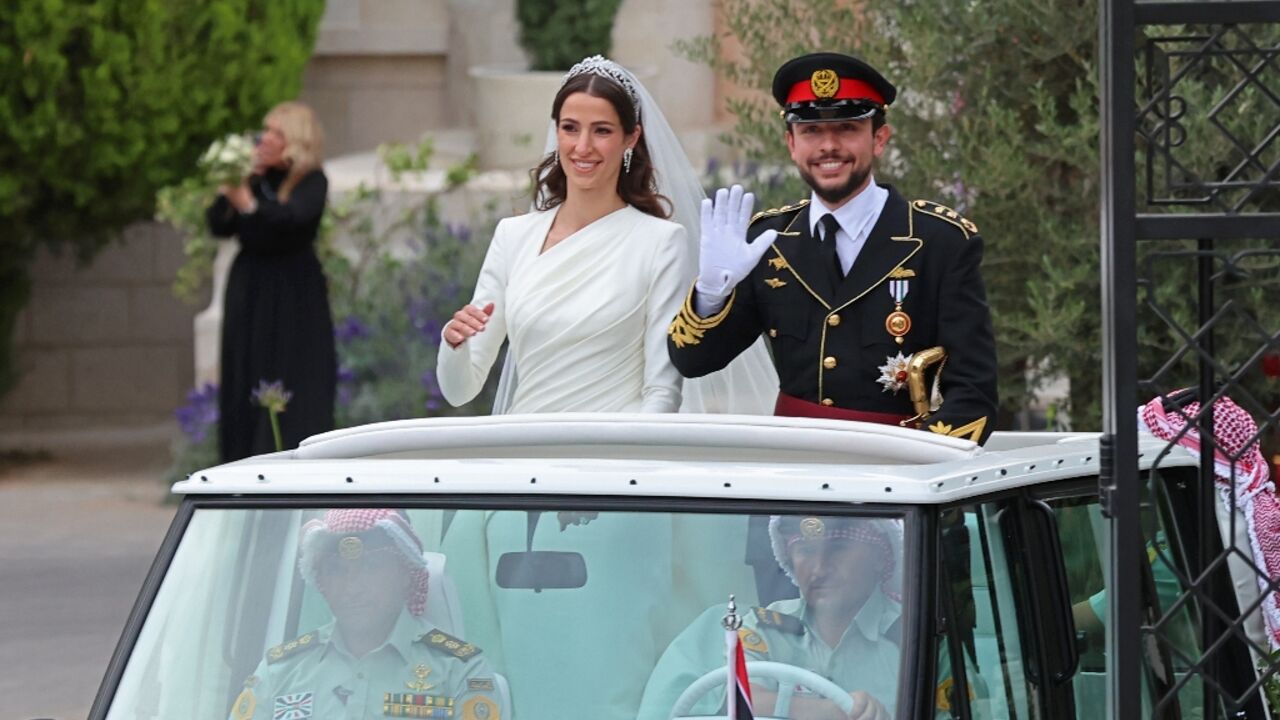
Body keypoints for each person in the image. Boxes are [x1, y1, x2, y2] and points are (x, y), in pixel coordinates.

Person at [435, 56, 769, 720]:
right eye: (570, 128)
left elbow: (661, 389)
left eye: (601, 131)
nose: (583, 147)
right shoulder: (513, 237)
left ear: (631, 140)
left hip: (616, 498)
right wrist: (452, 342)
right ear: (555, 134)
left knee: (608, 676)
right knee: (506, 675)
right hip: (514, 493)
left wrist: (614, 489)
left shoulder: (660, 243)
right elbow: (462, 386)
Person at [667, 52, 998, 444]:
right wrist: (710, 293)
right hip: (793, 471)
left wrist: (912, 468)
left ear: (879, 138)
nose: (829, 146)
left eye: (846, 128)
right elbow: (694, 362)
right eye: (811, 131)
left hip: (896, 478)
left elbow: (974, 395)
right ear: (791, 143)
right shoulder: (769, 241)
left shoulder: (939, 241)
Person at [228, 509, 508, 720]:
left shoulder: (459, 670)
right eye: (337, 570)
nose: (353, 588)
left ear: (405, 575)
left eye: (371, 566)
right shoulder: (281, 670)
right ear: (321, 582)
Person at [639, 515, 902, 720]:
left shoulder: (912, 634)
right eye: (806, 551)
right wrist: (830, 710)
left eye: (839, 549)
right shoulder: (762, 625)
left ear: (879, 557)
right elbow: (743, 696)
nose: (820, 568)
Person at [207, 100, 336, 462]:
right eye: (266, 131)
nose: (265, 139)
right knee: (247, 370)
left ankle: (293, 456)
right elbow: (219, 224)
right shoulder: (255, 178)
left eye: (277, 133)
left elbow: (291, 223)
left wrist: (248, 203)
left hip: (293, 292)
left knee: (294, 372)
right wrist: (234, 187)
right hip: (251, 289)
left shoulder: (311, 181)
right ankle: (242, 458)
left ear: (295, 140)